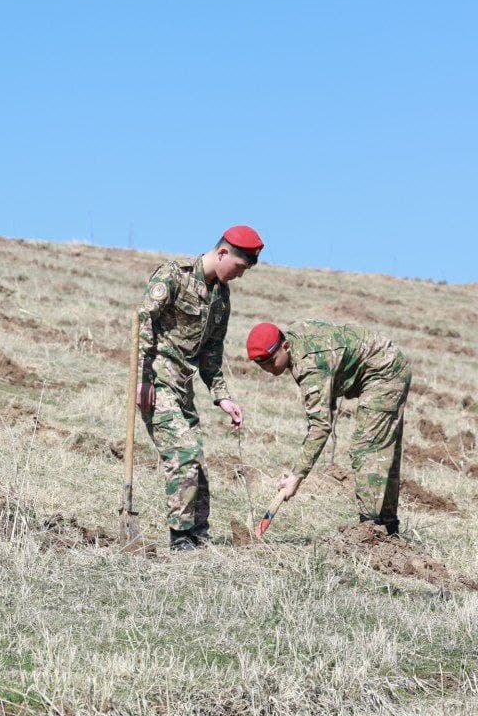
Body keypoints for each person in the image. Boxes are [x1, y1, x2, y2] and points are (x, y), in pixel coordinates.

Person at [136, 225, 264, 549]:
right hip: (157, 382)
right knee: (184, 455)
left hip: (183, 389)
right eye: (238, 268)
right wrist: (143, 379)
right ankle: (180, 539)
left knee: (198, 466)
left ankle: (198, 536)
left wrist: (223, 398)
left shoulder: (221, 296)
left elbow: (211, 355)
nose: (239, 276)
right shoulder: (174, 275)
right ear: (222, 253)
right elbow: (143, 322)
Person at [247, 320, 410, 534]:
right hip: (380, 365)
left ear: (285, 346)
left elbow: (320, 426)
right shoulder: (297, 343)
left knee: (368, 449)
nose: (268, 369)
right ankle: (388, 527)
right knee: (381, 449)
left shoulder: (308, 364)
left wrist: (297, 476)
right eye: (261, 365)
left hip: (385, 371)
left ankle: (371, 530)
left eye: (271, 361)